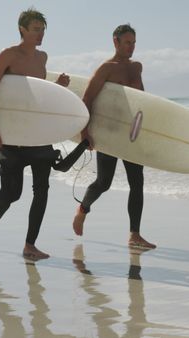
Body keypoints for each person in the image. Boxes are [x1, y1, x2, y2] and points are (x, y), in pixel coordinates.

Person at [0, 8, 86, 260]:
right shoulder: (8, 55)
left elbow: (36, 95)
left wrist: (57, 88)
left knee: (42, 190)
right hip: (14, 135)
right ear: (22, 30)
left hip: (38, 134)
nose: (40, 34)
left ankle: (30, 245)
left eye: (43, 29)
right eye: (36, 29)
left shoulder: (42, 58)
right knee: (12, 194)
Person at [72, 24, 156, 249]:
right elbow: (87, 99)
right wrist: (85, 133)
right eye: (127, 42)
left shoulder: (137, 68)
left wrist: (146, 131)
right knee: (103, 183)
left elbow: (142, 103)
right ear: (116, 42)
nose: (132, 47)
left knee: (137, 182)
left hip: (131, 135)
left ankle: (134, 234)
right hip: (109, 134)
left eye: (134, 42)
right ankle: (83, 209)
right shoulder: (106, 69)